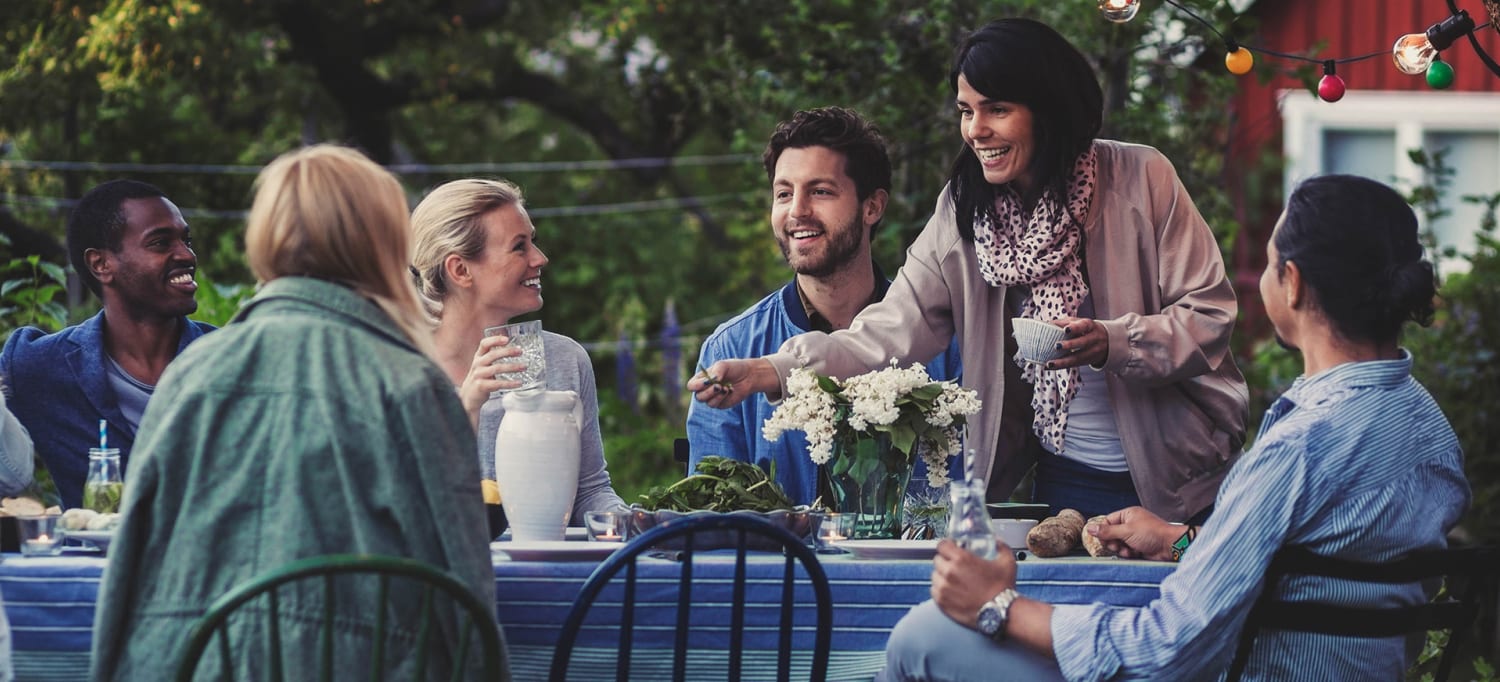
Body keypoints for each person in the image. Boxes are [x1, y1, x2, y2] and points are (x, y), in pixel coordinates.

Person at [879, 174, 1470, 681]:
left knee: (921, 637)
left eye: (1267, 261)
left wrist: (996, 604)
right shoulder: (1425, 426)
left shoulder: (1301, 448)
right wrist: (1181, 541)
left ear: (1291, 284)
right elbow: (1309, 576)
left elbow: (1165, 651)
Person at [689, 18, 1247, 523]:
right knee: (1072, 627)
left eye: (996, 109)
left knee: (1177, 620)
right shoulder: (965, 209)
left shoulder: (1141, 178)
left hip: (1182, 484)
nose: (976, 129)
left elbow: (1209, 316)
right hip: (1064, 485)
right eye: (965, 110)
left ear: (1048, 108)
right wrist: (776, 369)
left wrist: (1114, 341)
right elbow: (891, 331)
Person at [91, 146, 502, 680]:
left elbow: (128, 563)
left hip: (190, 664)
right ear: (381, 241)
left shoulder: (191, 375)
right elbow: (465, 587)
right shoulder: (410, 383)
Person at [686, 106, 962, 505]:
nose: (796, 210)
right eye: (784, 193)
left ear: (872, 206)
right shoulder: (730, 350)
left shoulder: (944, 341)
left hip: (912, 568)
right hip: (780, 568)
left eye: (820, 191)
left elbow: (968, 493)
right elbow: (712, 511)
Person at [410, 178, 626, 519]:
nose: (540, 259)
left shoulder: (564, 360)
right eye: (519, 247)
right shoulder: (400, 372)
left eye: (533, 242)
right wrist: (467, 406)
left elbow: (590, 490)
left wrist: (631, 522)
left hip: (546, 572)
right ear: (460, 269)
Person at [0, 180, 212, 509]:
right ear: (101, 264)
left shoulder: (229, 359)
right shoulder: (39, 366)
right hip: (95, 561)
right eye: (160, 243)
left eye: (186, 240)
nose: (186, 255)